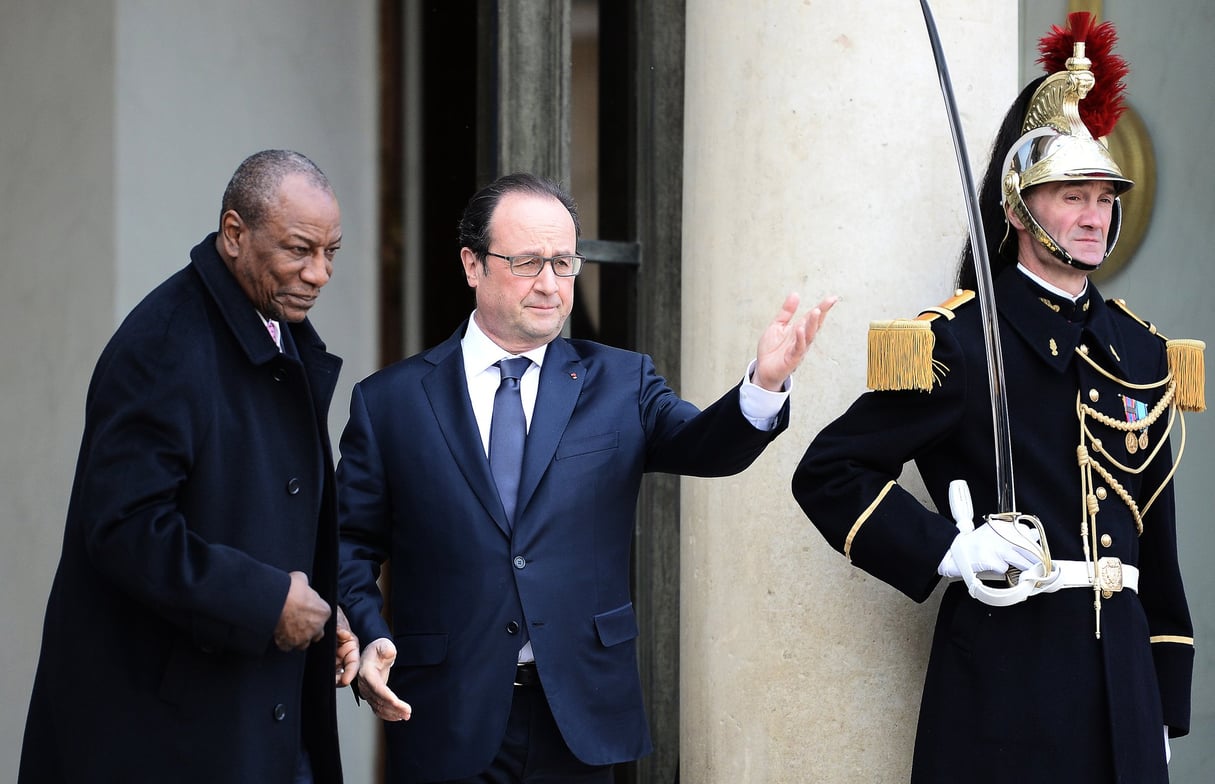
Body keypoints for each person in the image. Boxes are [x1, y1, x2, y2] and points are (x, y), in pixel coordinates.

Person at [792, 14, 1201, 783]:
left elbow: (1156, 547)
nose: (1091, 215)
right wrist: (947, 551)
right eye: (1068, 196)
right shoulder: (955, 343)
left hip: (1125, 695)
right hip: (1004, 695)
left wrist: (1162, 701)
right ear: (1015, 210)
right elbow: (828, 471)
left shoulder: (1143, 351)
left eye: (1102, 196)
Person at [335, 171, 837, 782]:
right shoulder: (391, 401)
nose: (550, 285)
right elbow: (348, 543)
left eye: (564, 263)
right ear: (472, 265)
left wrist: (761, 387)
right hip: (445, 713)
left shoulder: (621, 382)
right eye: (526, 263)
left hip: (580, 716)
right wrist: (365, 631)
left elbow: (704, 447)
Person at [19, 149, 358, 783]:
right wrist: (267, 603)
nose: (319, 274)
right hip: (169, 737)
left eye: (331, 252)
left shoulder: (272, 329)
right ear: (235, 235)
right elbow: (124, 528)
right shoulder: (164, 343)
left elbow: (256, 517)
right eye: (299, 250)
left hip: (254, 720)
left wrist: (318, 606)